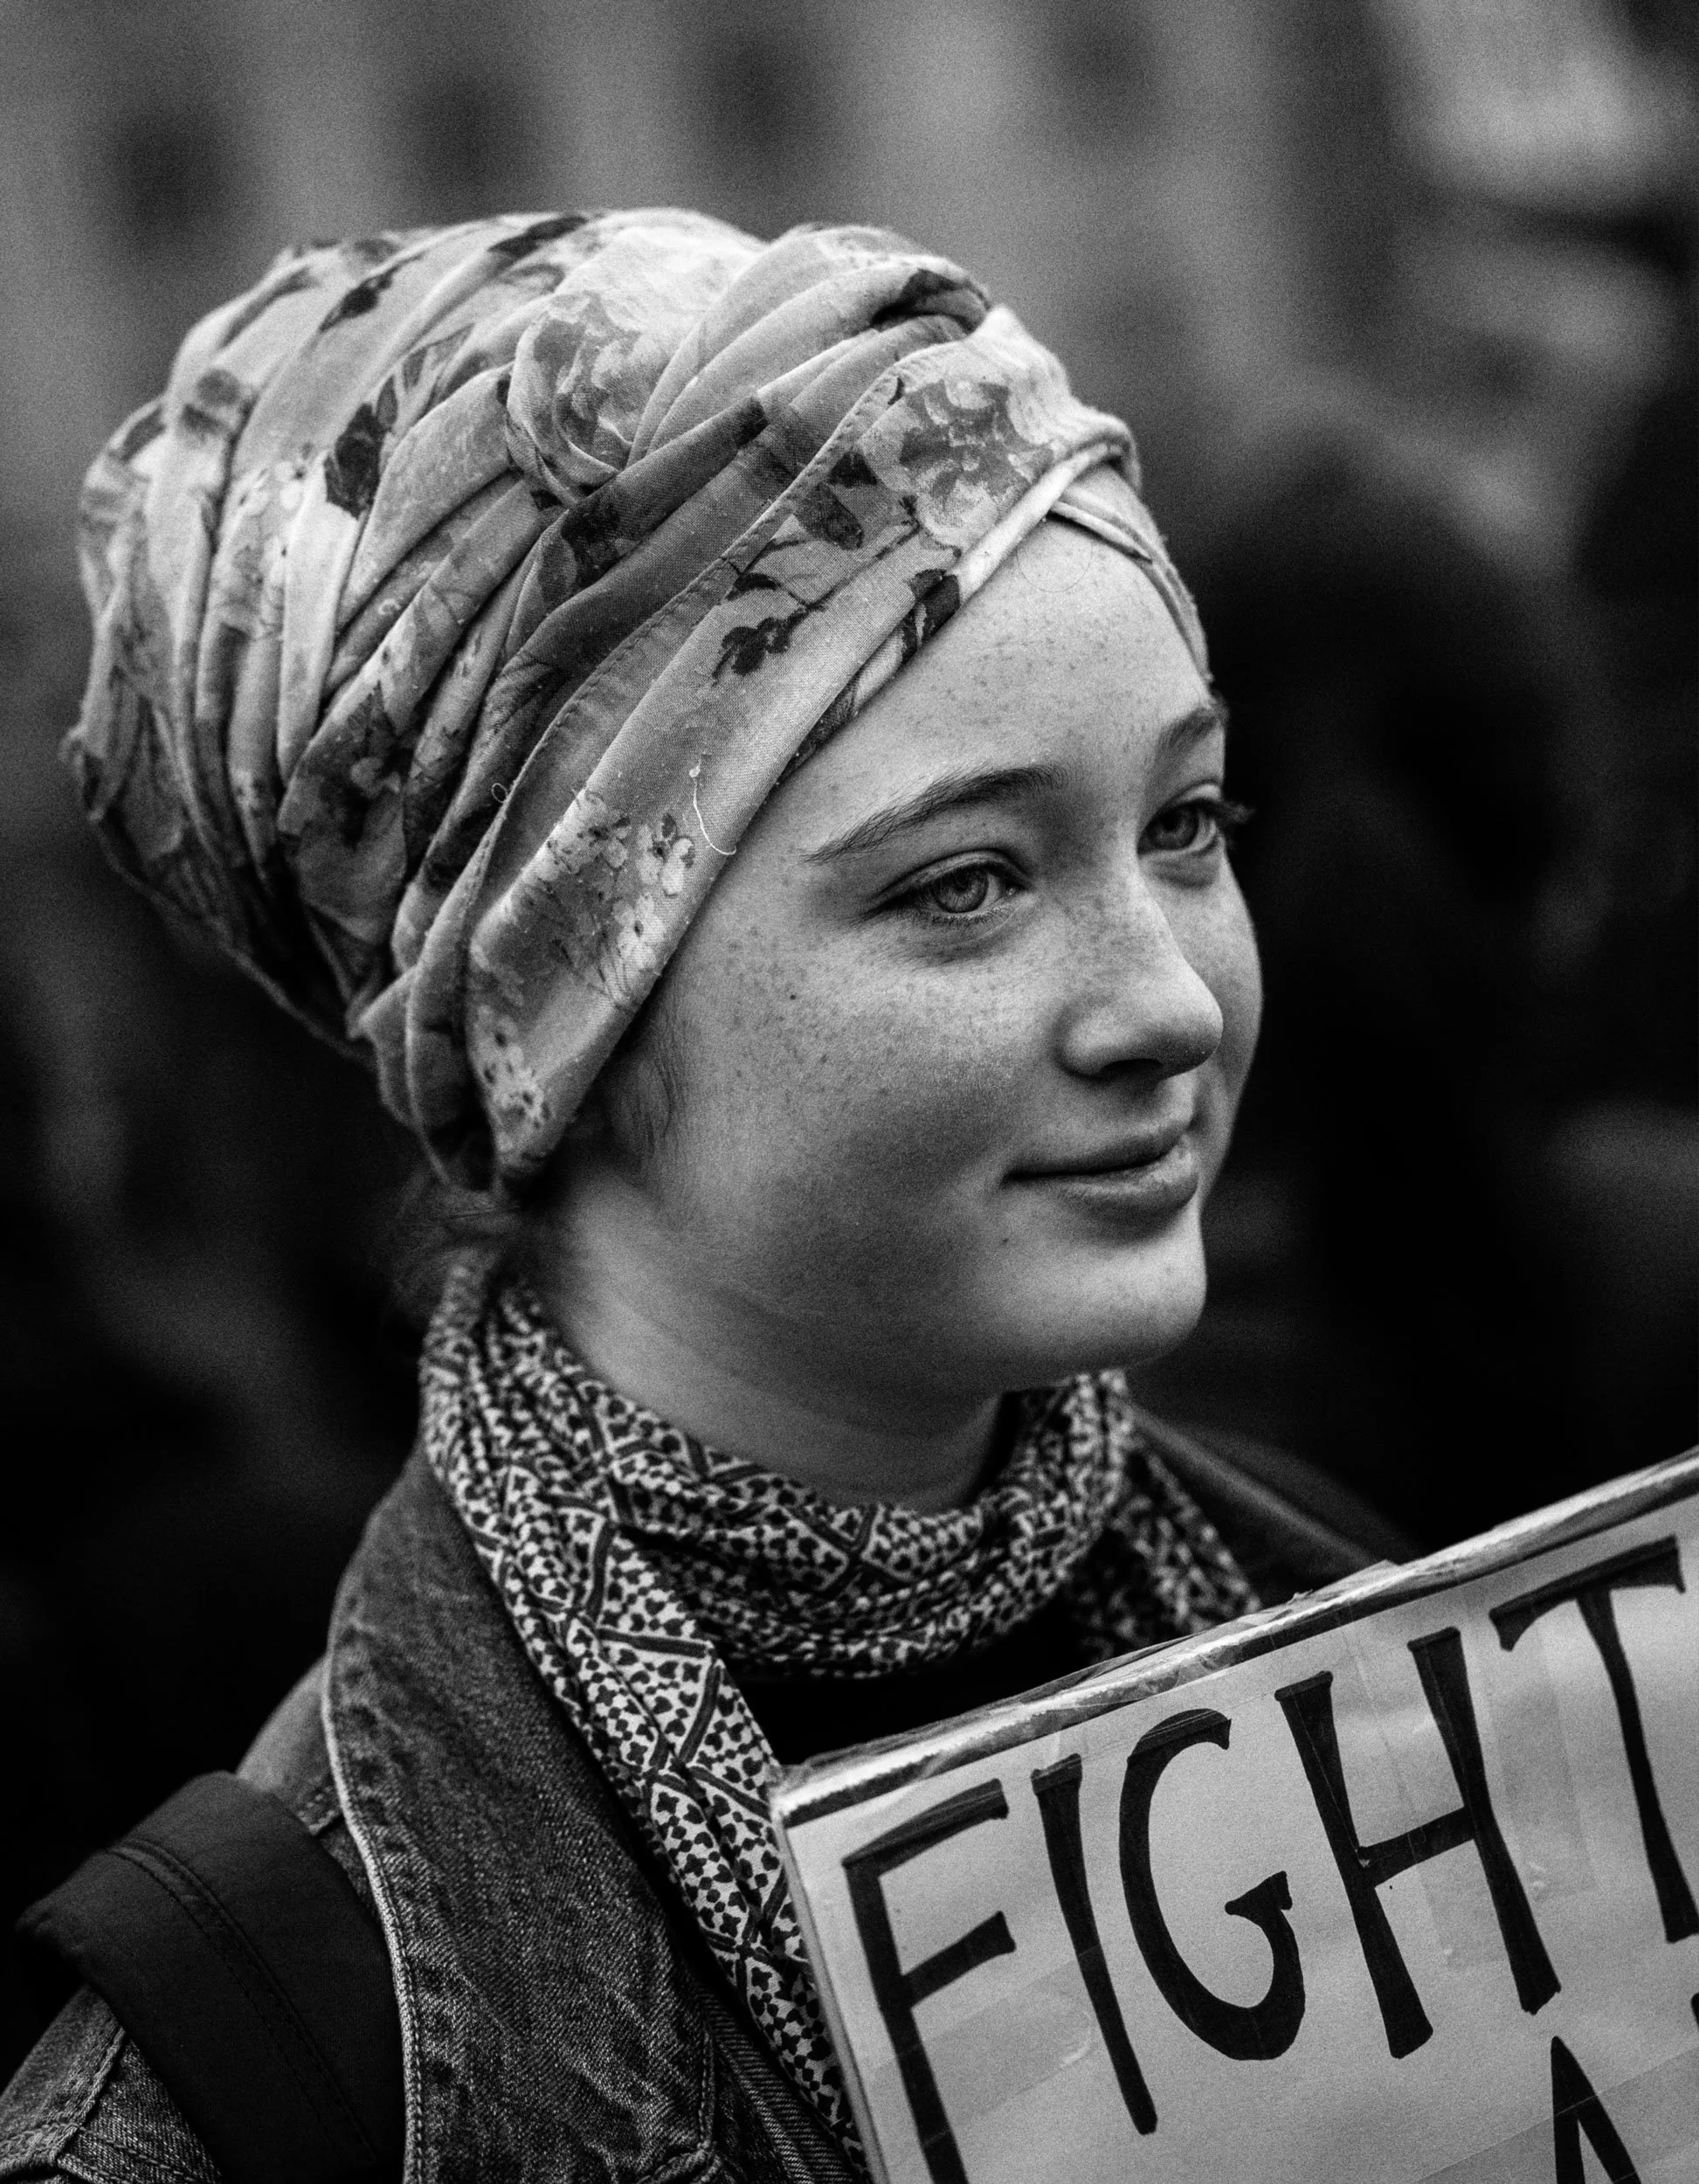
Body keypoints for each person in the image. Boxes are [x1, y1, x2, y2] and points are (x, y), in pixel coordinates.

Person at [0, 210, 1394, 2183]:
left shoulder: (1408, 1657)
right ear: (556, 1010)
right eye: (966, 883)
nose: (1167, 1001)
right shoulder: (248, 2101)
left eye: (1185, 823)